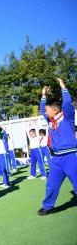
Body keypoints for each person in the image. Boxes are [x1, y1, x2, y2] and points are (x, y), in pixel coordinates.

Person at [38, 79, 77, 215]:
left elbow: (66, 103)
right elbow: (42, 109)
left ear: (55, 110)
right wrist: (44, 95)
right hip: (56, 159)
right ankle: (48, 206)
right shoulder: (50, 120)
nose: (45, 113)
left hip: (71, 157)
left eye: (48, 110)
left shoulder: (68, 117)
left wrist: (63, 86)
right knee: (51, 185)